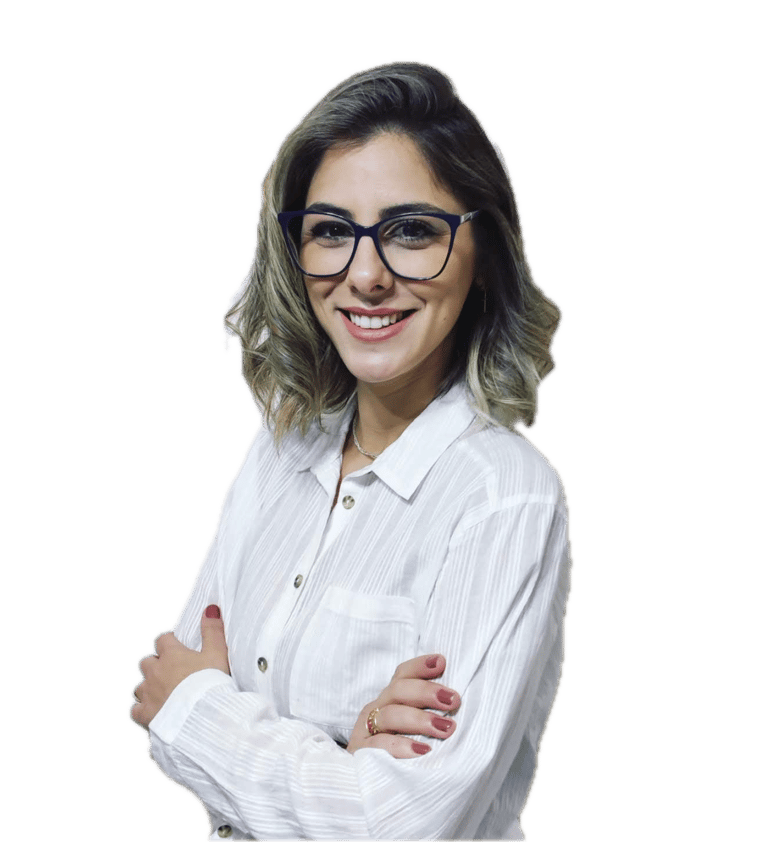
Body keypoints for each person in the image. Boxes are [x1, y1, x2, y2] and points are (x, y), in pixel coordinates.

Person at [129, 59, 573, 842]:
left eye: (412, 231)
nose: (365, 276)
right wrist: (345, 747)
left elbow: (398, 826)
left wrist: (209, 718)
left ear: (483, 253)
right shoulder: (279, 449)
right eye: (331, 231)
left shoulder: (504, 496)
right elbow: (162, 692)